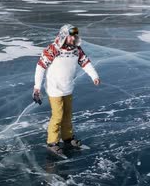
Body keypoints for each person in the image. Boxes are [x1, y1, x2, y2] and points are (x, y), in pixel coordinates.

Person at [33, 24, 101, 155]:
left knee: (68, 115)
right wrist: (37, 87)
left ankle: (67, 138)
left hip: (68, 87)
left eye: (75, 36)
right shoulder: (53, 49)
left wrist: (94, 76)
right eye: (71, 36)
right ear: (64, 36)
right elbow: (40, 67)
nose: (73, 38)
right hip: (54, 88)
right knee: (58, 116)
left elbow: (85, 62)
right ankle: (52, 142)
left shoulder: (76, 50)